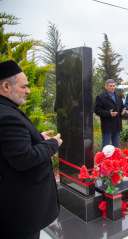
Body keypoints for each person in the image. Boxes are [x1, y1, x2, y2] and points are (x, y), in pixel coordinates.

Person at [0, 60, 63, 238]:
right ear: (6, 86)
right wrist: (52, 144)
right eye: (24, 86)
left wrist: (37, 138)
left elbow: (11, 147)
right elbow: (23, 159)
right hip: (20, 211)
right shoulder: (8, 116)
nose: (28, 91)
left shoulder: (6, 109)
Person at [94, 79, 126, 149]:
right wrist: (109, 113)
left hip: (117, 124)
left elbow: (122, 106)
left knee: (116, 146)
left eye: (114, 86)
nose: (112, 87)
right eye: (110, 86)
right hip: (107, 126)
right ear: (106, 87)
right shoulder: (100, 97)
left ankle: (115, 159)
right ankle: (104, 159)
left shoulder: (118, 96)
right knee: (106, 146)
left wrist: (123, 110)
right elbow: (97, 110)